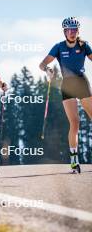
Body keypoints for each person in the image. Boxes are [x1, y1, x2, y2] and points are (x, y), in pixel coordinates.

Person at [39, 17, 92, 172]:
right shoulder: (59, 47)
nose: (72, 33)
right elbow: (42, 64)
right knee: (74, 123)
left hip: (82, 83)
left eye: (75, 30)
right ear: (65, 31)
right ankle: (74, 161)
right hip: (67, 85)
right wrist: (47, 70)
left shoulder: (84, 45)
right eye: (69, 30)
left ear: (78, 31)